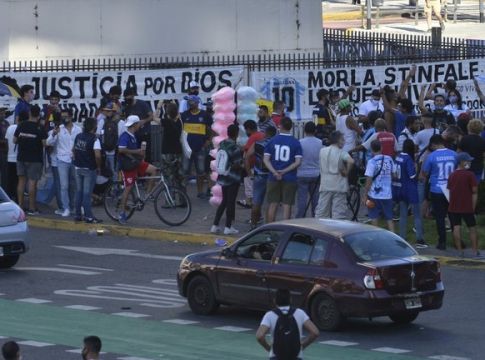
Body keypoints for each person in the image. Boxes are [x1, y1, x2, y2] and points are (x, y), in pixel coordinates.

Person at [256, 289, 319, 360]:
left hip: (276, 356)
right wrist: (302, 346)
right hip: (296, 356)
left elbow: (259, 336)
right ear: (290, 300)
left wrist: (269, 348)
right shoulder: (300, 313)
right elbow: (315, 332)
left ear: (275, 301)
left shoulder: (270, 315)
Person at [117, 115, 158, 224]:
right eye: (138, 123)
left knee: (154, 170)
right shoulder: (125, 136)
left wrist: (140, 155)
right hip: (128, 166)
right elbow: (121, 149)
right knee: (128, 188)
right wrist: (137, 152)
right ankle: (122, 213)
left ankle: (147, 195)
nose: (140, 125)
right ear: (135, 125)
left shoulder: (133, 135)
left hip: (136, 162)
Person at [421, 134, 457, 250]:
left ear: (433, 145)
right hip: (451, 189)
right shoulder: (454, 154)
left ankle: (442, 242)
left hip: (437, 189)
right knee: (453, 216)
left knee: (440, 217)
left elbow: (425, 173)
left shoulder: (431, 156)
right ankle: (458, 241)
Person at [263, 117, 302, 222]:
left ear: (280, 126)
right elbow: (298, 162)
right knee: (287, 205)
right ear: (291, 127)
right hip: (290, 177)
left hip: (273, 176)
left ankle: (270, 230)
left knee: (273, 204)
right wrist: (284, 171)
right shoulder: (296, 142)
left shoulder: (272, 141)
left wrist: (275, 172)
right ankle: (285, 229)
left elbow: (266, 160)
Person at [47, 107, 82, 216]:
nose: (64, 118)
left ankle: (75, 207)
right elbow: (49, 142)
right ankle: (65, 208)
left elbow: (80, 143)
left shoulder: (78, 129)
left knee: (75, 185)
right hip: (62, 160)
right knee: (64, 186)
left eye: (66, 116)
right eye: (63, 117)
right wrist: (53, 133)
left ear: (71, 117)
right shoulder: (59, 129)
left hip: (75, 160)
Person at [13, 105, 47, 214]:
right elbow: (44, 144)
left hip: (21, 157)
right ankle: (32, 208)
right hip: (35, 159)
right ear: (39, 115)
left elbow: (14, 140)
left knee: (21, 182)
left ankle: (20, 207)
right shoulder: (40, 127)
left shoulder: (21, 125)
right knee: (32, 183)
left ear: (29, 113)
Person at [447, 152, 481, 258]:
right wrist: (473, 207)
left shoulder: (452, 175)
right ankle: (475, 251)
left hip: (453, 206)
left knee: (456, 227)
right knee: (472, 228)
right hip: (467, 206)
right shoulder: (470, 175)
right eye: (468, 161)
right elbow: (474, 191)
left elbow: (449, 189)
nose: (469, 162)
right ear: (462, 162)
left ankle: (460, 251)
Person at [211, 124, 243, 235]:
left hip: (222, 177)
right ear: (237, 134)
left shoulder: (222, 144)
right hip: (232, 178)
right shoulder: (235, 148)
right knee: (230, 202)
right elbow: (238, 164)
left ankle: (215, 225)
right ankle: (228, 227)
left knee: (224, 201)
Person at [315, 131, 354, 219]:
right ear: (338, 140)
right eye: (343, 140)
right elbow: (351, 161)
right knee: (338, 213)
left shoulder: (322, 151)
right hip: (339, 185)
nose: (344, 142)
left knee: (322, 212)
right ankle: (336, 231)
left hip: (325, 184)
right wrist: (347, 172)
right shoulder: (342, 152)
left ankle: (320, 229)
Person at [394, 139, 426, 248]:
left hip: (400, 188)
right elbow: (412, 176)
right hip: (410, 189)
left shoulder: (398, 157)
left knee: (403, 215)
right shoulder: (408, 159)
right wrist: (418, 168)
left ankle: (402, 237)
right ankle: (420, 239)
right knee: (417, 214)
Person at [181, 95, 212, 199]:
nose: (189, 103)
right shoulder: (184, 115)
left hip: (200, 148)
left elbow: (210, 129)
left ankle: (200, 192)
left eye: (191, 101)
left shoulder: (205, 115)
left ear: (197, 102)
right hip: (187, 149)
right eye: (188, 101)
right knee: (185, 171)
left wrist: (208, 140)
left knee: (201, 171)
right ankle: (183, 193)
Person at [72, 117, 103, 224]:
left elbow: (73, 150)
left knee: (79, 192)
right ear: (94, 127)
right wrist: (98, 167)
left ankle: (77, 215)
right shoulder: (95, 139)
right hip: (89, 169)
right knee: (87, 194)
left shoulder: (78, 136)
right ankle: (89, 216)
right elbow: (98, 156)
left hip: (78, 167)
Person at [246, 125, 277, 229]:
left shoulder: (257, 143)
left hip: (259, 175)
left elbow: (247, 156)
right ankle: (268, 227)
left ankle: (253, 225)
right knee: (271, 203)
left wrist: (249, 172)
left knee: (256, 202)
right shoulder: (276, 144)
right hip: (272, 176)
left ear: (266, 133)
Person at [363, 140, 395, 231]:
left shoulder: (371, 162)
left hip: (373, 195)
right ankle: (393, 239)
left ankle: (375, 238)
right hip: (387, 194)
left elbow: (369, 179)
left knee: (374, 216)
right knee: (389, 218)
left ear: (371, 150)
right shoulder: (389, 159)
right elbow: (394, 174)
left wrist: (365, 195)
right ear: (381, 148)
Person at [295, 122, 322, 218]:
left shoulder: (300, 142)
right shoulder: (320, 142)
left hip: (302, 173)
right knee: (315, 199)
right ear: (315, 130)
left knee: (302, 199)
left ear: (305, 131)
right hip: (316, 173)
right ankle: (315, 218)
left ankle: (300, 218)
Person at [238, 120, 264, 209]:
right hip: (261, 165)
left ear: (248, 129)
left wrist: (247, 170)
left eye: (246, 130)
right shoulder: (261, 135)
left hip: (252, 164)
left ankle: (249, 201)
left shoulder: (253, 137)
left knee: (248, 181)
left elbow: (247, 155)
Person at [123, 88, 154, 162]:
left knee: (147, 153)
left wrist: (144, 121)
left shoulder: (142, 104)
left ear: (133, 96)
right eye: (126, 99)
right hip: (134, 135)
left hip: (145, 134)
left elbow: (151, 116)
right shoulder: (127, 107)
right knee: (136, 154)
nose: (128, 100)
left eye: (129, 98)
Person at [96, 102, 124, 183]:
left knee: (114, 171)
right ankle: (107, 190)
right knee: (105, 172)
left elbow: (122, 139)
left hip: (115, 153)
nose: (107, 112)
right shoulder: (102, 121)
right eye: (106, 111)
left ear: (114, 111)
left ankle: (114, 190)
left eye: (109, 111)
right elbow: (98, 136)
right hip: (104, 152)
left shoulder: (121, 123)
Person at [4, 111, 28, 201]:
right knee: (20, 182)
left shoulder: (10, 127)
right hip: (20, 159)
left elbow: (6, 142)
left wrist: (8, 152)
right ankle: (19, 201)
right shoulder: (24, 128)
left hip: (10, 158)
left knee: (10, 181)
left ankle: (9, 200)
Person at [160, 102, 184, 188]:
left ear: (167, 112)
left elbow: (154, 117)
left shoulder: (166, 122)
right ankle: (182, 198)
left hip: (167, 152)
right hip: (177, 151)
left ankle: (170, 198)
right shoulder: (180, 122)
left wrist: (159, 107)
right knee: (179, 175)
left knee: (168, 175)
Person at [0, 107, 10, 191]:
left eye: (4, 113)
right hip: (1, 150)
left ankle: (4, 191)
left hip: (5, 152)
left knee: (5, 173)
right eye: (1, 113)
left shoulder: (6, 123)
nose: (3, 114)